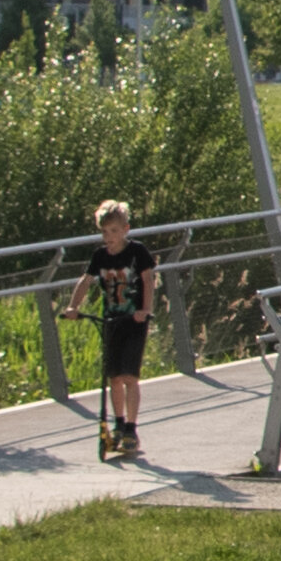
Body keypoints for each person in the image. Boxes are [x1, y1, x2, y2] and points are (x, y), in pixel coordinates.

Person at [72, 199, 160, 467]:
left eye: (112, 231)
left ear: (125, 229)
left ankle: (131, 428)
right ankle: (118, 423)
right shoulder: (99, 256)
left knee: (129, 376)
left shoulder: (137, 252)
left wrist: (145, 309)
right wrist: (72, 306)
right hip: (111, 320)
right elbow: (86, 281)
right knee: (114, 378)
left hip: (133, 320)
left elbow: (147, 280)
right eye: (104, 232)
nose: (108, 237)